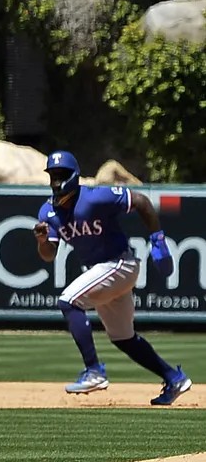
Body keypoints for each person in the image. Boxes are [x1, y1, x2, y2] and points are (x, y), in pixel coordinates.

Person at [36, 150, 189, 403]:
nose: (56, 181)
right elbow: (49, 255)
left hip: (119, 264)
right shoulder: (48, 212)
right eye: (52, 175)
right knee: (123, 337)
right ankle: (174, 378)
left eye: (61, 175)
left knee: (68, 301)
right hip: (104, 271)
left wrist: (157, 239)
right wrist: (42, 240)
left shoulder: (95, 198)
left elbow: (140, 201)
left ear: (73, 176)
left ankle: (94, 371)